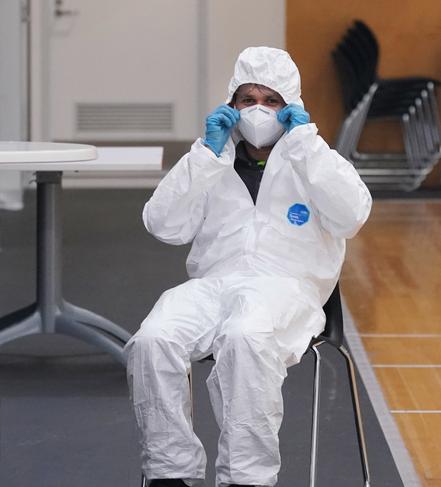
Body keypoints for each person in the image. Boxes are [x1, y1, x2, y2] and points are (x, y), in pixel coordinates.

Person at [125, 46, 372, 487]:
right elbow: (162, 224)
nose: (258, 110)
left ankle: (246, 479)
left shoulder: (313, 160)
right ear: (230, 105)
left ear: (291, 106)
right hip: (214, 285)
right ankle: (170, 472)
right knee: (153, 340)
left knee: (245, 336)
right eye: (247, 99)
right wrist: (204, 154)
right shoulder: (212, 161)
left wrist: (305, 147)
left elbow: (352, 215)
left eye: (271, 100)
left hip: (287, 287)